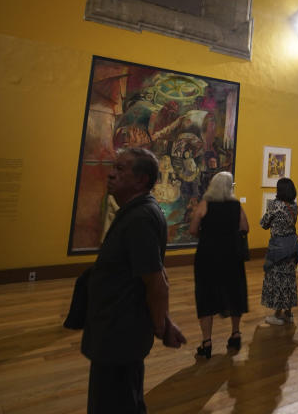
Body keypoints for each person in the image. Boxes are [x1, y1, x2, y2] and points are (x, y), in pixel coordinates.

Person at [82, 147, 185, 413]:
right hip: (116, 329)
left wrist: (161, 325)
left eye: (121, 169)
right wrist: (164, 320)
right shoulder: (135, 213)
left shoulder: (140, 218)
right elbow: (149, 278)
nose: (111, 175)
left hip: (120, 333)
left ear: (141, 180)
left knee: (117, 403)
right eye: (113, 168)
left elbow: (156, 281)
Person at [188, 171, 249, 359]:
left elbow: (192, 229)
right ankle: (235, 334)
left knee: (206, 295)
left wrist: (206, 237)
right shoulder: (236, 205)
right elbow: (245, 228)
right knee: (234, 292)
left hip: (208, 255)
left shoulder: (204, 204)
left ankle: (207, 343)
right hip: (232, 255)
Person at [260, 177, 298, 325]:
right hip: (291, 248)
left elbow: (264, 223)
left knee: (277, 280)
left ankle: (277, 315)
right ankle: (289, 314)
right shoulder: (293, 206)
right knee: (289, 279)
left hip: (278, 248)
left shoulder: (274, 205)